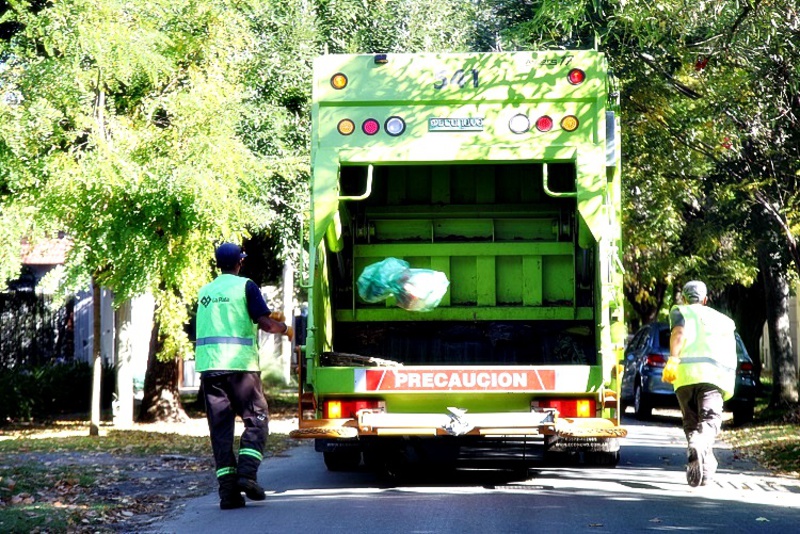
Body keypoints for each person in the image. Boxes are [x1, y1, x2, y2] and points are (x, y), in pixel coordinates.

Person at [195, 242, 293, 509]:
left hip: (210, 371)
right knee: (257, 420)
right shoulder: (245, 286)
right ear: (240, 262)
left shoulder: (205, 291)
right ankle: (247, 476)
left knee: (221, 433)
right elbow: (265, 323)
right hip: (240, 369)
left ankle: (228, 494)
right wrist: (287, 329)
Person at [666, 280, 737, 487]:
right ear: (706, 299)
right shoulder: (724, 320)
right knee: (709, 421)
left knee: (692, 423)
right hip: (713, 377)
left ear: (685, 298)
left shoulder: (682, 311)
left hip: (685, 376)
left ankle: (705, 473)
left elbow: (678, 334)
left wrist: (672, 359)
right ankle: (699, 447)